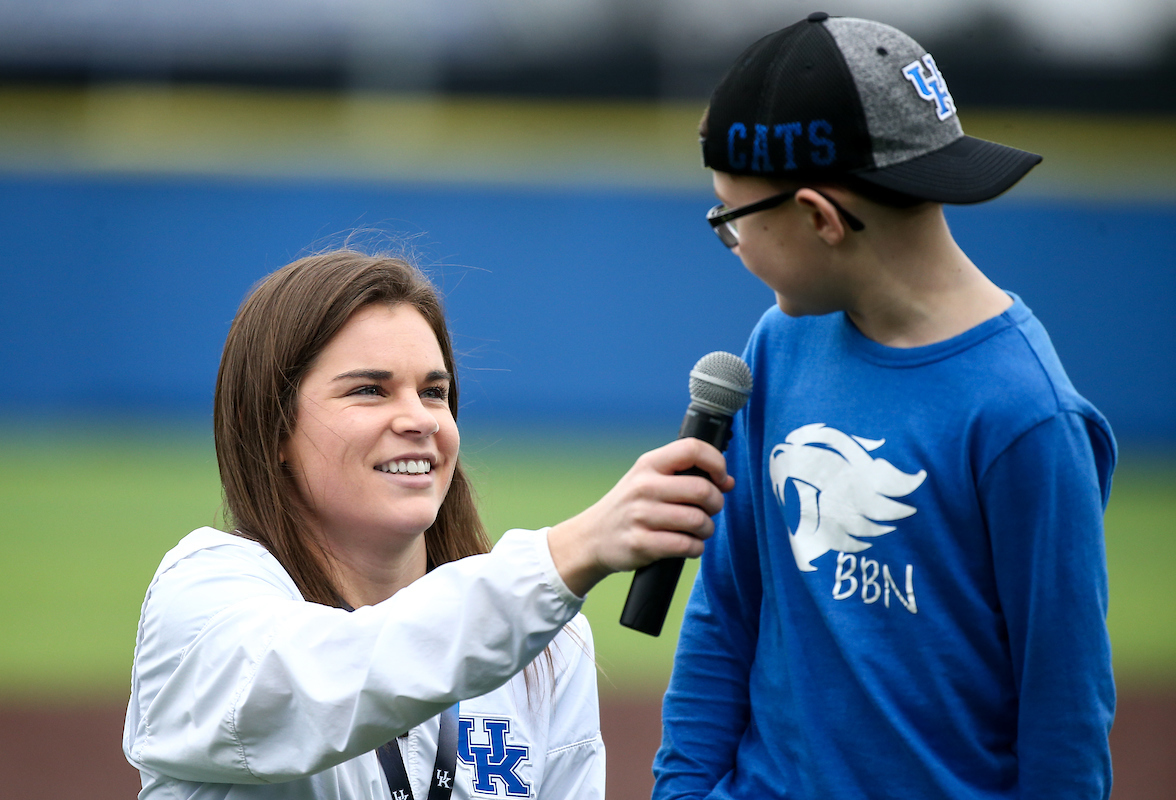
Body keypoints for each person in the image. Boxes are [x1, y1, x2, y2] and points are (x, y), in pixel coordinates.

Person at [653, 13, 1115, 800]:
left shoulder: (1027, 417)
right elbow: (726, 611)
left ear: (819, 219)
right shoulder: (779, 346)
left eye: (729, 222)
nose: (731, 247)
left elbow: (1064, 716)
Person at [123, 249, 733, 800]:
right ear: (274, 428)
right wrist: (568, 554)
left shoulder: (548, 646)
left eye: (434, 391)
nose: (420, 419)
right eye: (369, 390)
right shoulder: (202, 598)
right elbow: (332, 678)